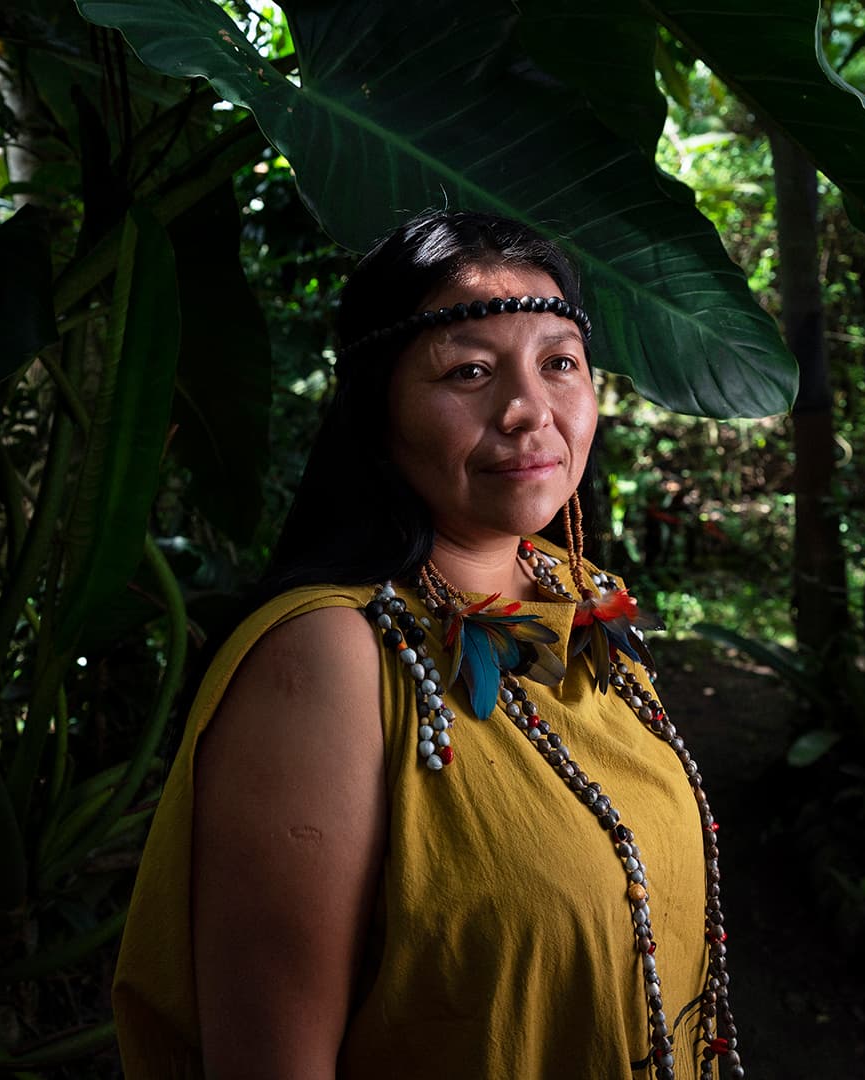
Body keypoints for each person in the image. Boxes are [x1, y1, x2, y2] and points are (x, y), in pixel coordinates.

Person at [111, 211, 743, 1080]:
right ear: (377, 408)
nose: (528, 410)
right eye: (468, 371)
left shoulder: (580, 593)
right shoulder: (329, 657)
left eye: (559, 362)